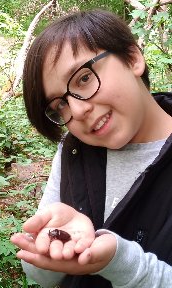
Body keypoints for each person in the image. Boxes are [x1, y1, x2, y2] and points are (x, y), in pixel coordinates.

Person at [10, 9, 172, 288]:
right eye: (59, 105)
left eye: (83, 78)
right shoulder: (74, 151)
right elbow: (41, 275)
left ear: (132, 58)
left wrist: (120, 262)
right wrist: (48, 247)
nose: (78, 110)